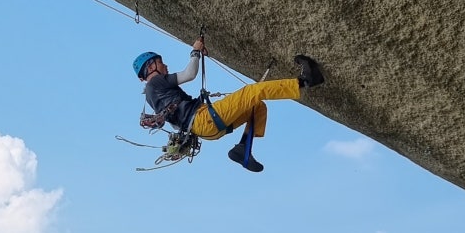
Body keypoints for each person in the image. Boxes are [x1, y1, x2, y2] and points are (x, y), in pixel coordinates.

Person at [132, 41, 325, 173]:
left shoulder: (152, 97)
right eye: (160, 62)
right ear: (150, 68)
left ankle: (243, 150)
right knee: (252, 92)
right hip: (204, 119)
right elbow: (189, 74)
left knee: (257, 107)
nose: (165, 65)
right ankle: (306, 81)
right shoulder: (155, 82)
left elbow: (176, 122)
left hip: (207, 130)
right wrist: (195, 51)